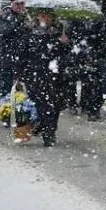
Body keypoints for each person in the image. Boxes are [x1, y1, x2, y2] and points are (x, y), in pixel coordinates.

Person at [17, 10, 70, 147]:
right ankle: (48, 132)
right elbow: (23, 54)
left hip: (56, 75)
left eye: (48, 15)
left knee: (56, 105)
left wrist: (65, 44)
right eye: (42, 15)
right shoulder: (30, 33)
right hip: (36, 75)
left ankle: (50, 128)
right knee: (43, 104)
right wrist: (19, 74)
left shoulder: (60, 32)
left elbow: (67, 55)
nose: (45, 18)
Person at [0, 0, 30, 108]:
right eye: (17, 3)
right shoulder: (5, 16)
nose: (20, 6)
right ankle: (6, 113)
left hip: (25, 58)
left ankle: (25, 113)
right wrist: (18, 21)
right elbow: (3, 31)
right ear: (11, 4)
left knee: (26, 88)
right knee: (7, 88)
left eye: (22, 3)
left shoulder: (29, 16)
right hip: (7, 58)